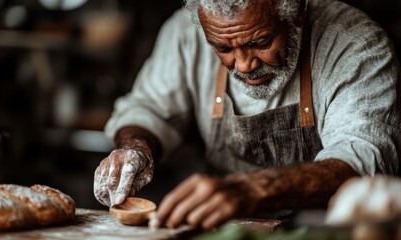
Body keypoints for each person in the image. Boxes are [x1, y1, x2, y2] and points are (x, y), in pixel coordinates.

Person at [94, 0, 401, 230]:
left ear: (296, 14)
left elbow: (362, 161)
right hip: (228, 233)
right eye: (223, 48)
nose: (243, 65)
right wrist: (136, 147)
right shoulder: (185, 33)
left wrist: (254, 189)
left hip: (326, 231)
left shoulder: (354, 45)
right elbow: (147, 109)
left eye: (260, 42)